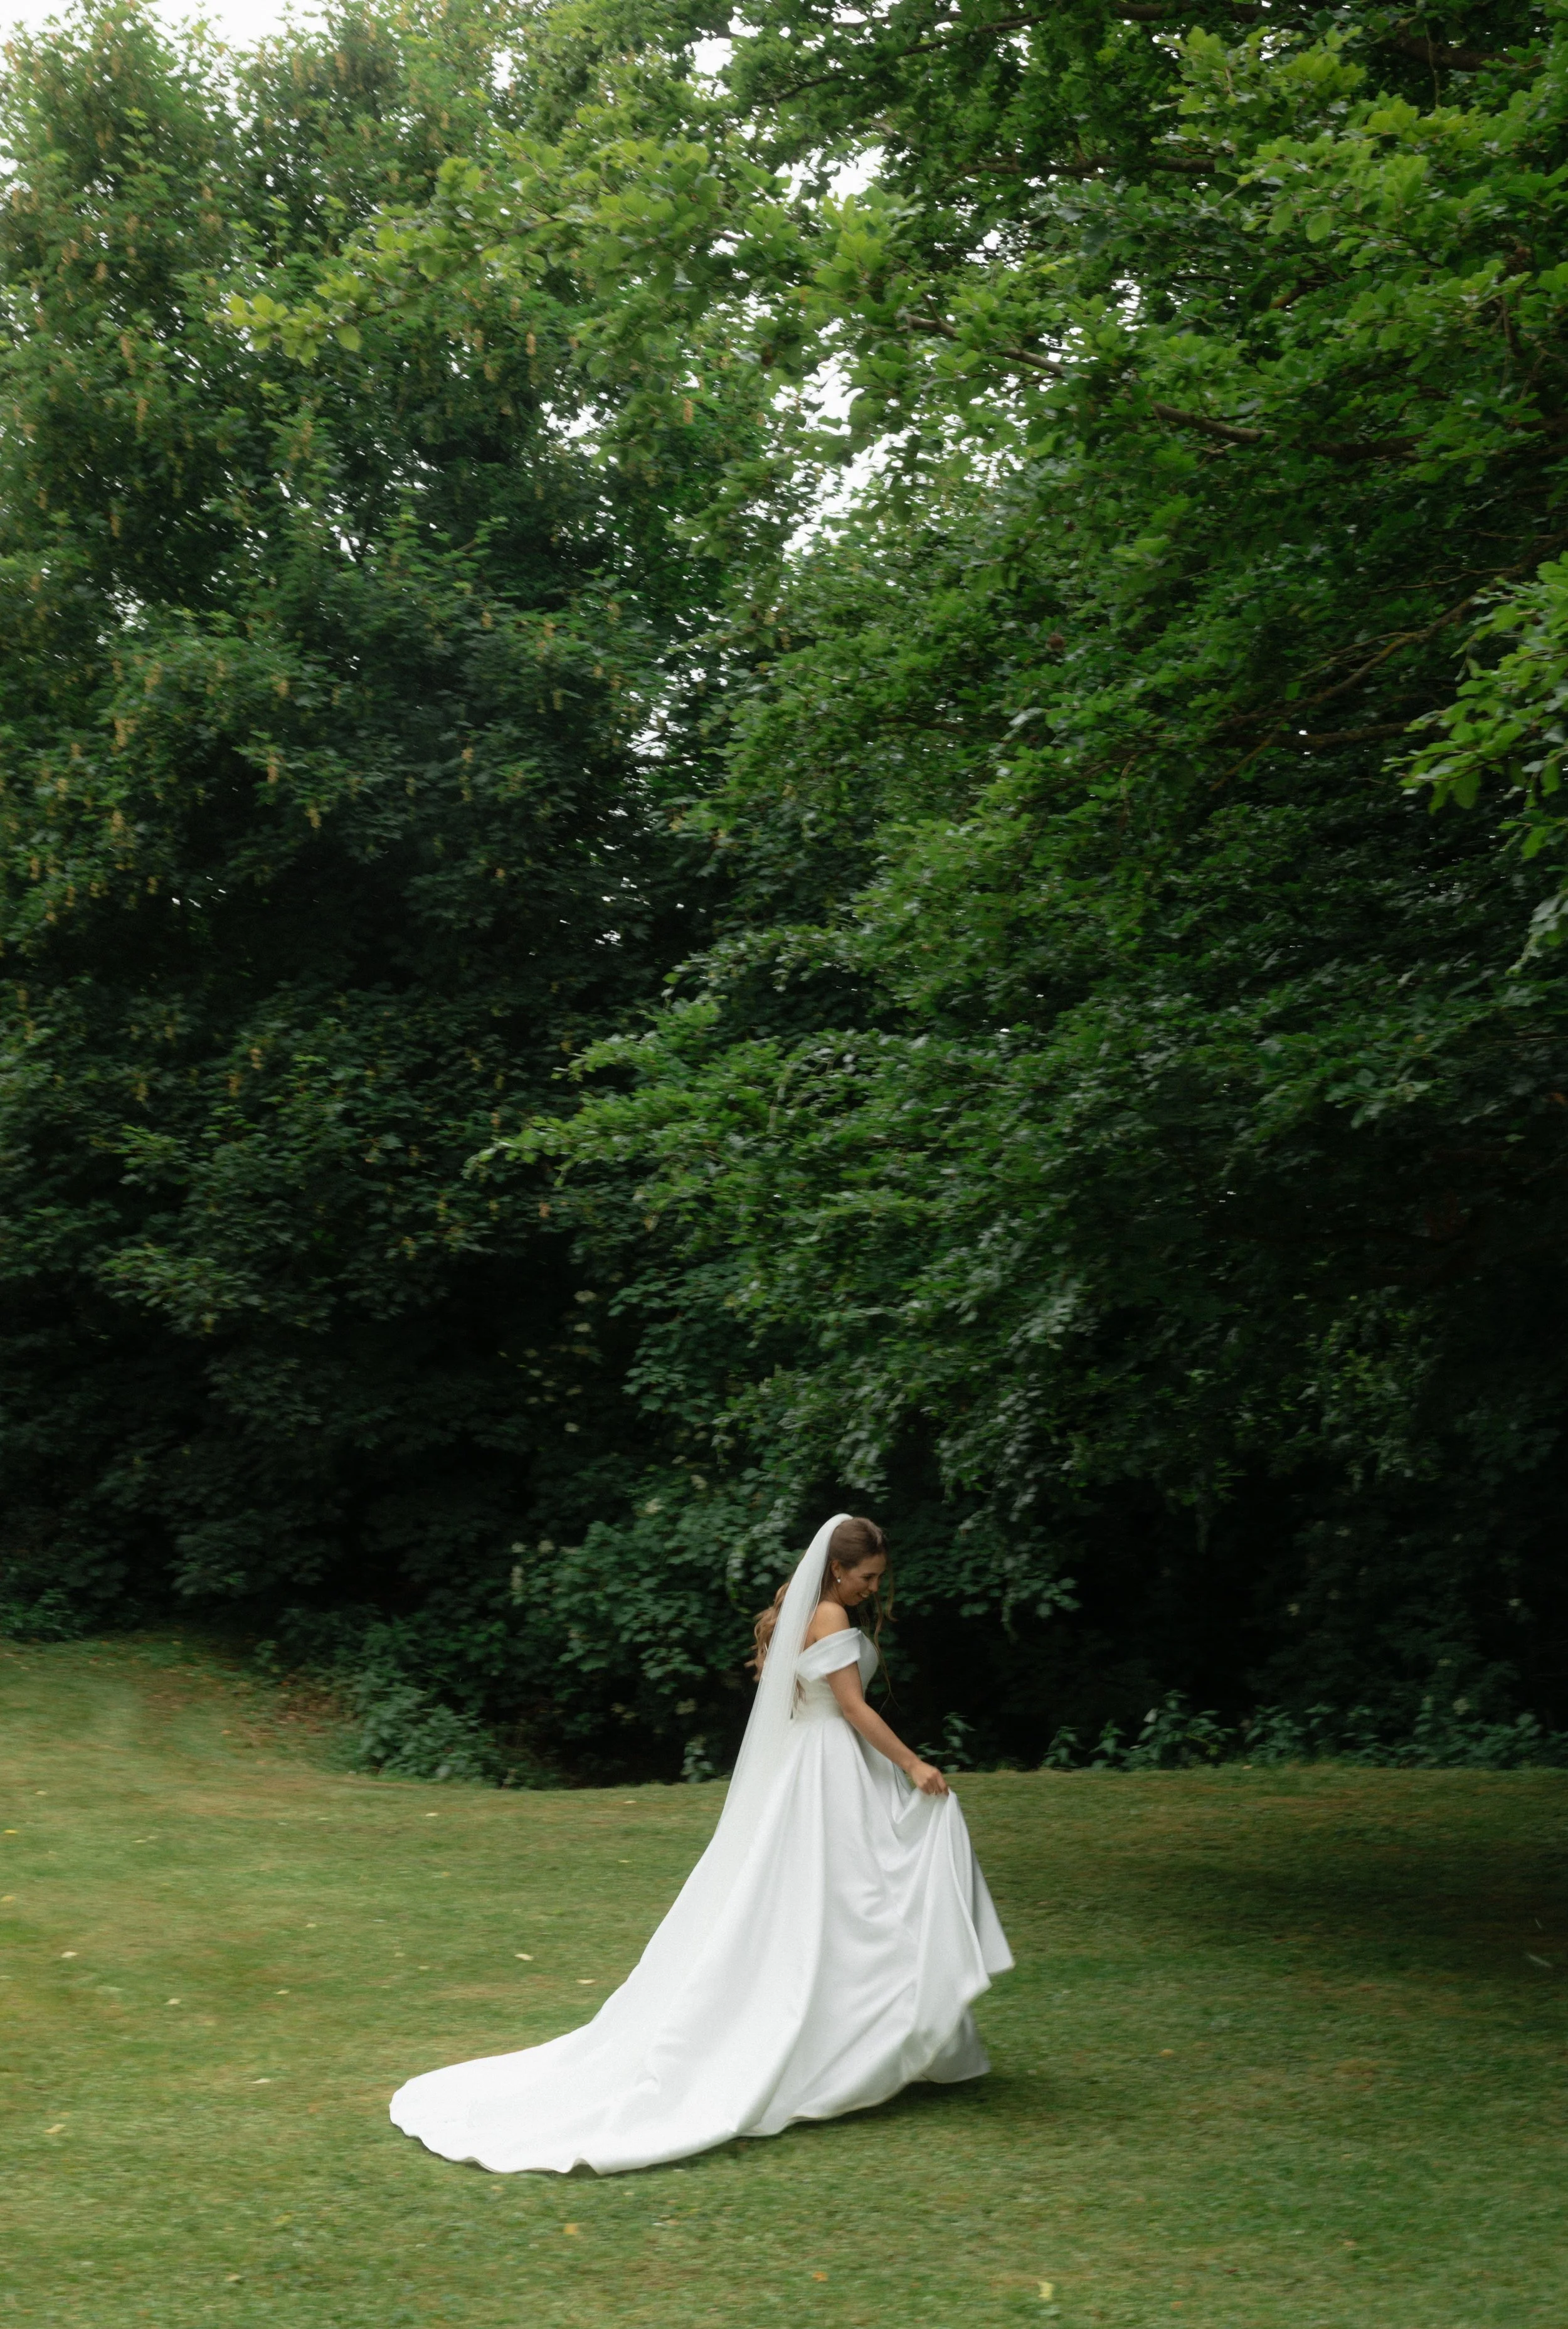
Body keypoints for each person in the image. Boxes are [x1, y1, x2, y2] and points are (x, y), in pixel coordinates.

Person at [389, 1513, 1013, 2173]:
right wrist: (914, 1763)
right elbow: (854, 1709)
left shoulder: (809, 1613)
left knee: (840, 1896)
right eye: (866, 1575)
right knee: (851, 1894)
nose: (872, 1587)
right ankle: (859, 2044)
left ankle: (876, 2038)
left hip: (817, 1763)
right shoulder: (830, 1619)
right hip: (828, 1764)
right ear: (836, 1570)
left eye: (875, 1577)